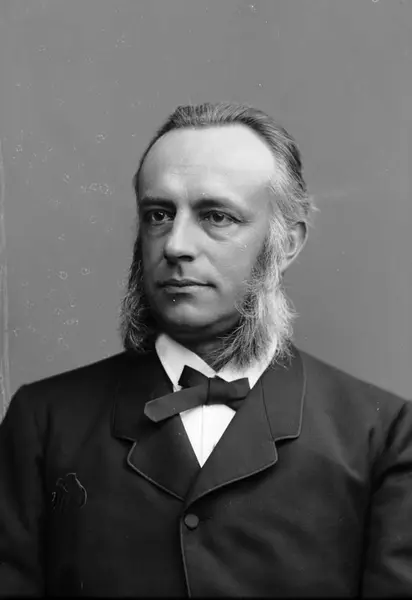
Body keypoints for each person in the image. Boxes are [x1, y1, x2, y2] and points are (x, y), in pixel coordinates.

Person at [0, 101, 411, 597]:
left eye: (216, 216)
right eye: (158, 215)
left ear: (287, 243)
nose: (175, 245)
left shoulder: (383, 435)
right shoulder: (44, 421)